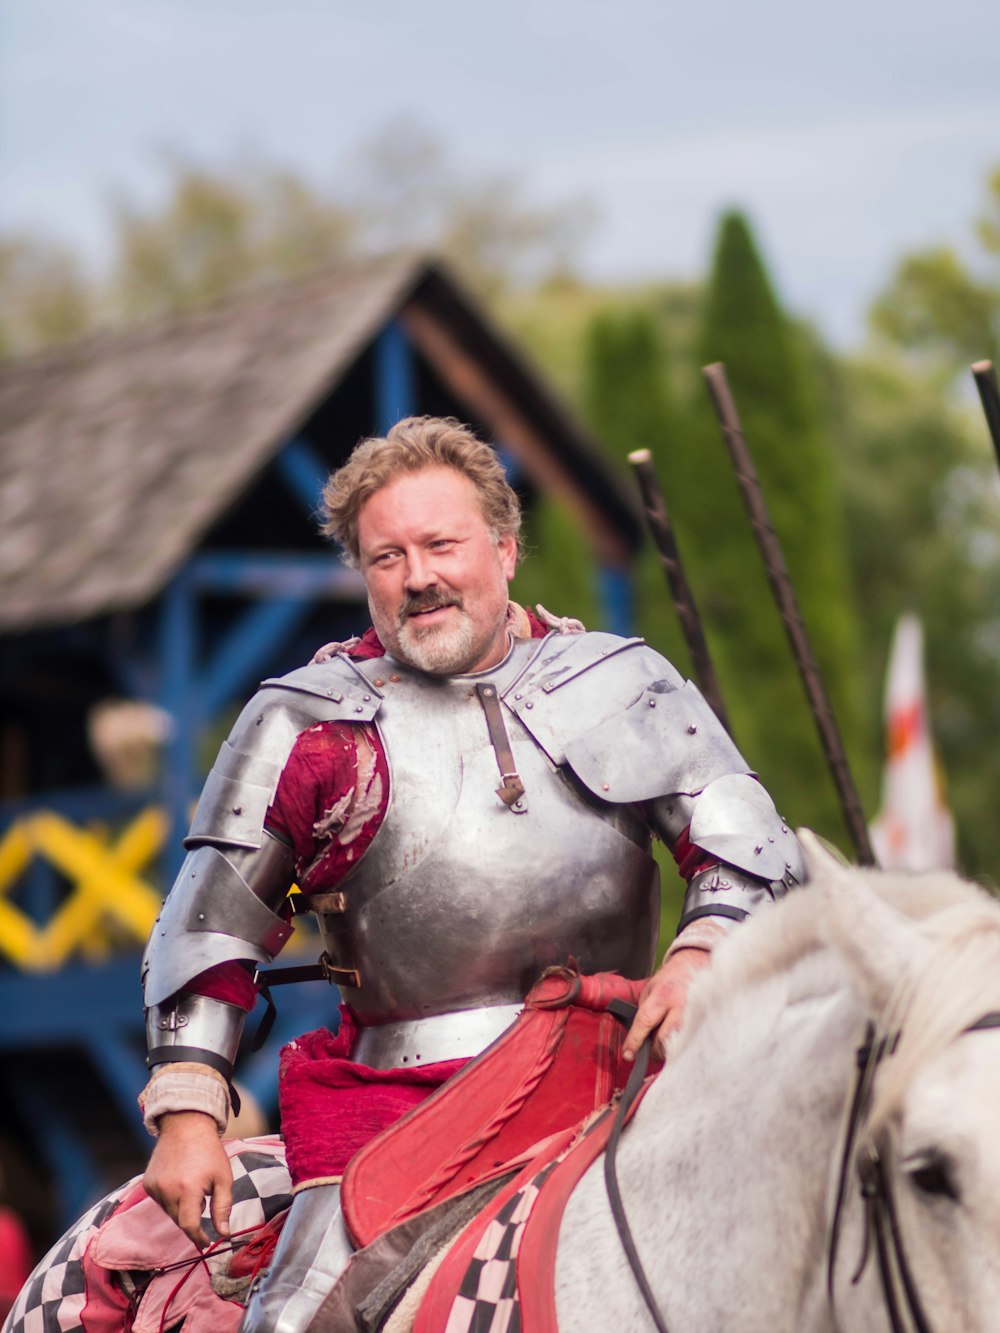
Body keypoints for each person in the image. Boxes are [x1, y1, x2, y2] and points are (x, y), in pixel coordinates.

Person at [139, 416, 803, 1333]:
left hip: (620, 1073)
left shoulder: (616, 683)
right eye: (387, 557)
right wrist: (188, 1112)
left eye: (441, 545)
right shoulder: (310, 722)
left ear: (505, 547)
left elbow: (747, 845)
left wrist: (702, 952)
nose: (419, 577)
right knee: (294, 1320)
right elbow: (209, 926)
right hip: (399, 1105)